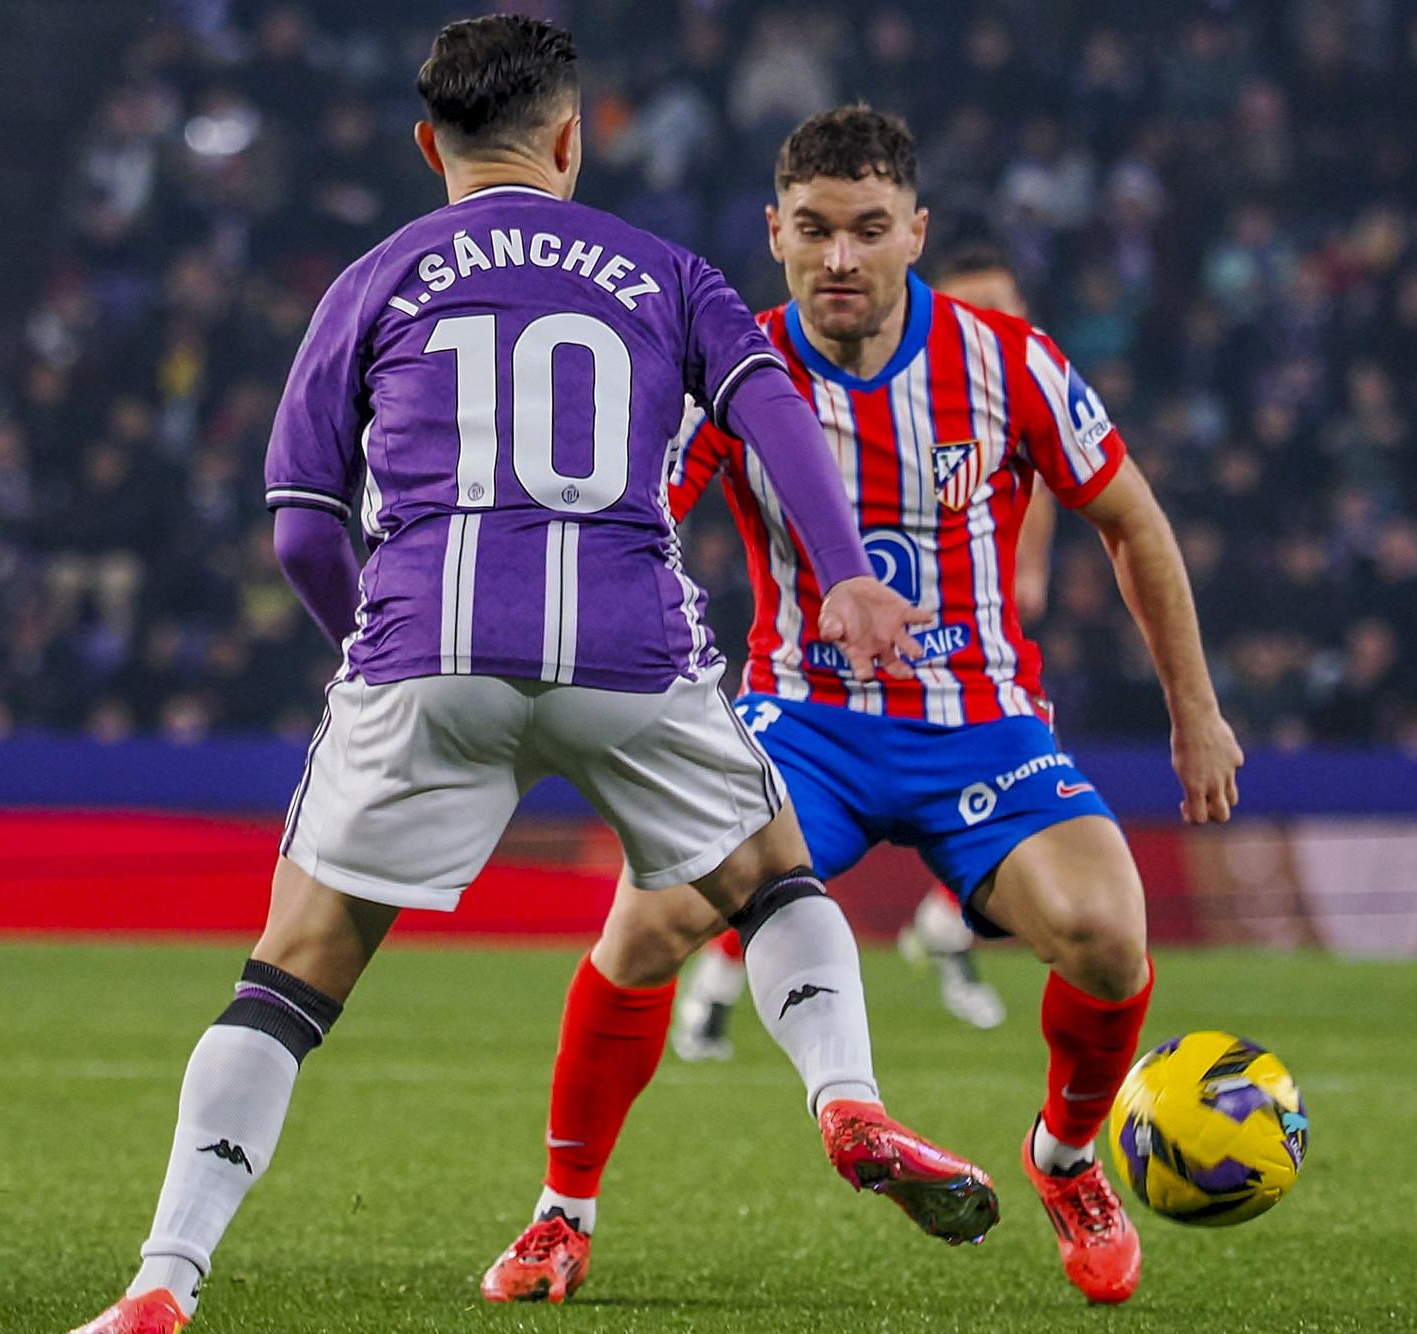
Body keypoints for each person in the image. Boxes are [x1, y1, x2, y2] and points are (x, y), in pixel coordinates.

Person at [70, 25, 991, 1334]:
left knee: (291, 972)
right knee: (773, 879)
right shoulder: (662, 270)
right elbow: (770, 402)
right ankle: (844, 1094)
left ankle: (165, 1280)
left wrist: (366, 648)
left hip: (428, 645)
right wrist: (843, 572)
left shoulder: (374, 277)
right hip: (630, 646)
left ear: (426, 143)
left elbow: (297, 522)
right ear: (573, 138)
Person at [482, 106, 1242, 1309]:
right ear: (774, 233)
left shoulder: (1008, 360)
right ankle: (558, 1216)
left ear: (914, 234)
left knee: (1108, 932)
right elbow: (632, 528)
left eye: (870, 230)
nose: (841, 257)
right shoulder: (731, 374)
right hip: (804, 729)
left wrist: (1194, 711)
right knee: (640, 929)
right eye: (816, 230)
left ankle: (1065, 1160)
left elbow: (1132, 521)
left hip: (981, 726)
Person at [670, 240, 1050, 1053]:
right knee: (768, 861)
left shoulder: (1007, 391)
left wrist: (1030, 573)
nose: (997, 325)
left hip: (960, 671)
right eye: (980, 307)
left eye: (1007, 310)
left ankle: (948, 928)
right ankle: (717, 979)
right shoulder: (829, 398)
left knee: (1047, 840)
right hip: (823, 678)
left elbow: (1039, 481)